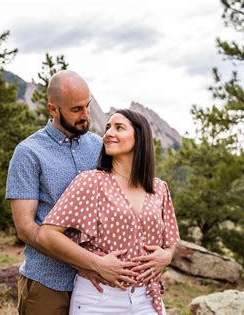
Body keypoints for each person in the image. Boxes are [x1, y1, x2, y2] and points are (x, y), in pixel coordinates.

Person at [37, 109, 181, 315]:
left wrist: (166, 257)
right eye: (107, 128)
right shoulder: (91, 182)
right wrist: (98, 264)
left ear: (140, 137)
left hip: (147, 299)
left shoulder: (159, 188)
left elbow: (171, 242)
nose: (108, 134)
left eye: (119, 128)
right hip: (99, 298)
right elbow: (47, 235)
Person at [6, 70, 105, 315]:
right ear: (53, 109)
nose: (85, 115)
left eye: (87, 106)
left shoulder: (100, 147)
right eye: (76, 110)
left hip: (97, 285)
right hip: (47, 283)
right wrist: (82, 262)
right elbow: (25, 228)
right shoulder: (28, 152)